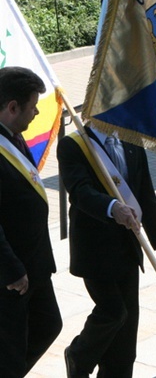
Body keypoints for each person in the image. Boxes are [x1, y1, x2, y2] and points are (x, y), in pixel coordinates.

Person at [58, 123, 156, 377]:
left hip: (128, 249)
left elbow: (144, 191)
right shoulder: (74, 145)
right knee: (113, 312)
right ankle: (78, 355)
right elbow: (79, 191)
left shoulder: (131, 141)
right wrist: (112, 207)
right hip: (95, 250)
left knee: (126, 334)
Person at [0, 66, 62, 378]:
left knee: (49, 323)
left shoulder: (13, 136)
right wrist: (11, 269)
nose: (37, 112)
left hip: (34, 262)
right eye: (33, 106)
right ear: (12, 108)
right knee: (10, 348)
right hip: (11, 274)